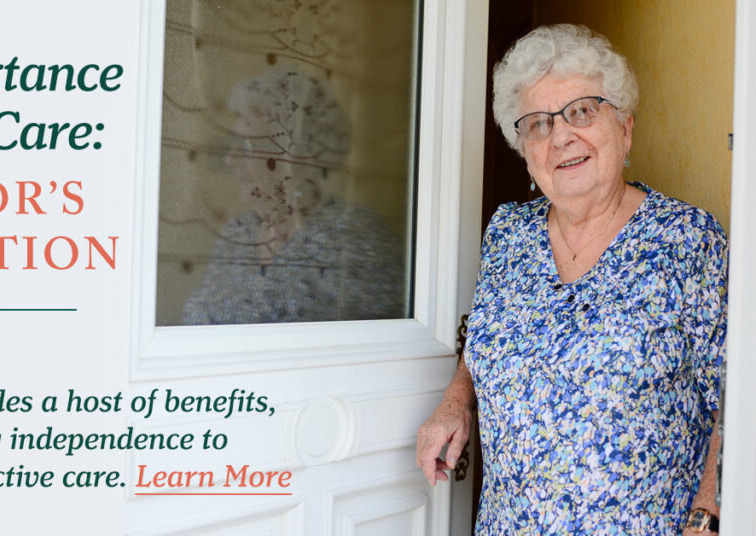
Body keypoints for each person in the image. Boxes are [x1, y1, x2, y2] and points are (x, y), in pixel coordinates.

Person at [415, 25, 728, 535]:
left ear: (624, 128)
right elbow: (484, 337)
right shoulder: (508, 232)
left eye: (582, 110)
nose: (561, 136)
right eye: (537, 123)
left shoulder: (687, 239)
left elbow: (735, 400)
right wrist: (455, 402)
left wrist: (707, 517)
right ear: (524, 151)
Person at [182, 65, 405, 324]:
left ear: (302, 156)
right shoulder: (236, 234)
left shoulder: (357, 237)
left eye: (248, 145)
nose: (231, 159)